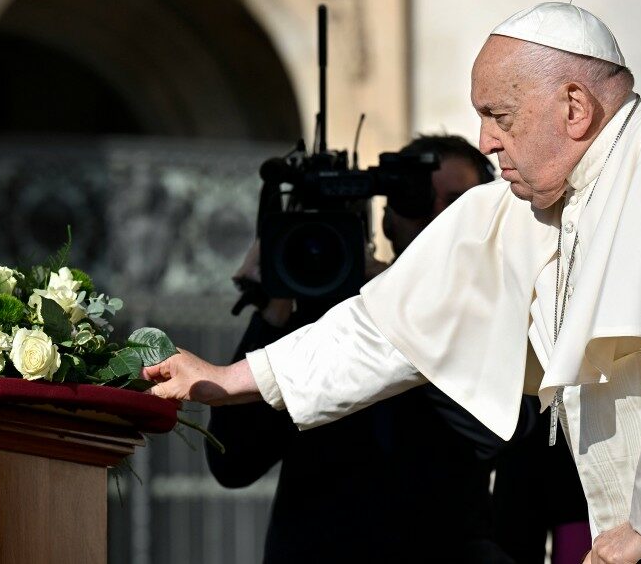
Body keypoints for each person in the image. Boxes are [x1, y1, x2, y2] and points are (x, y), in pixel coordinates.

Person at [144, 2, 641, 563]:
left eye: (500, 115)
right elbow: (385, 329)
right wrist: (231, 378)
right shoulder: (527, 207)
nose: (486, 141)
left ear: (575, 106)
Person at [208, 135, 517, 564]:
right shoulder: (322, 317)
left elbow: (493, 435)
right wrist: (274, 314)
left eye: (459, 203)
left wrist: (389, 307)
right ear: (387, 217)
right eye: (418, 199)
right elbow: (232, 463)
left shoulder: (495, 313)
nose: (438, 217)